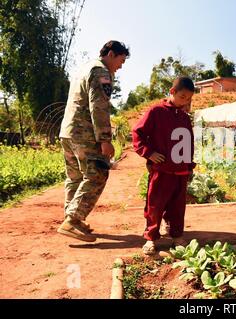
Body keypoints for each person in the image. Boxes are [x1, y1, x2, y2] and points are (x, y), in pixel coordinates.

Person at [58, 41, 130, 242]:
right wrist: (105, 139)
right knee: (98, 173)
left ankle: (72, 220)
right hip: (84, 133)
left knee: (75, 177)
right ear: (111, 54)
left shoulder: (85, 67)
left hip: (68, 131)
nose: (121, 66)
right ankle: (73, 220)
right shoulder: (101, 72)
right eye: (121, 60)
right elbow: (98, 106)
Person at [132, 77, 196, 255]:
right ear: (172, 92)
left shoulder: (184, 117)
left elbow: (189, 143)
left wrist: (189, 166)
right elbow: (138, 134)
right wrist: (149, 153)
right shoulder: (156, 112)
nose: (186, 101)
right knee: (155, 205)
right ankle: (151, 237)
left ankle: (176, 235)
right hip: (161, 170)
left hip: (181, 170)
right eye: (183, 97)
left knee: (178, 206)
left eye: (189, 98)